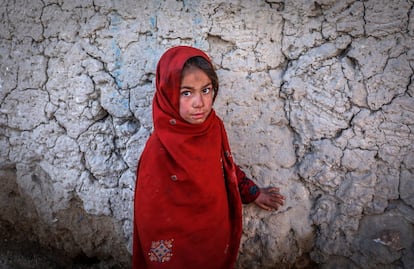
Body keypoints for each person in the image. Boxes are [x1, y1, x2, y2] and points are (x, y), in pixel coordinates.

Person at [133, 46, 285, 269]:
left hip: (213, 235)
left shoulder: (212, 127)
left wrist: (252, 192)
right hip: (178, 251)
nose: (199, 102)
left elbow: (224, 167)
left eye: (206, 90)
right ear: (168, 92)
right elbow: (150, 218)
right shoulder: (159, 149)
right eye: (186, 92)